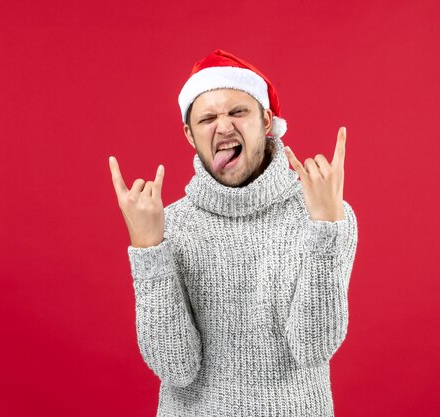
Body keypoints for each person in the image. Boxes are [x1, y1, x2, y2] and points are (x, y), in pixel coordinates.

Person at [108, 49, 358, 416]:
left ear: (267, 120)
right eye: (207, 118)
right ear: (190, 136)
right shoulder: (169, 226)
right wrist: (149, 251)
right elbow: (175, 368)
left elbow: (313, 347)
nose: (223, 127)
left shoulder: (327, 213)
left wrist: (325, 230)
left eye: (237, 112)